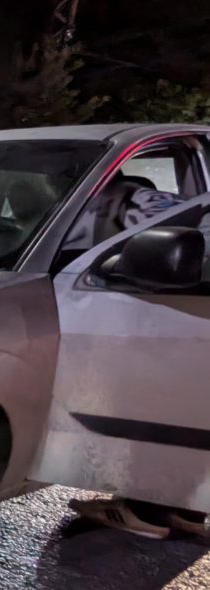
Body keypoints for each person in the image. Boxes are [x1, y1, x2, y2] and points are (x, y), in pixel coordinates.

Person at [62, 174, 210, 539]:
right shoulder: (155, 201)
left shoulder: (114, 202)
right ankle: (186, 508)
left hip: (184, 318)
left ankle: (145, 512)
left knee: (156, 404)